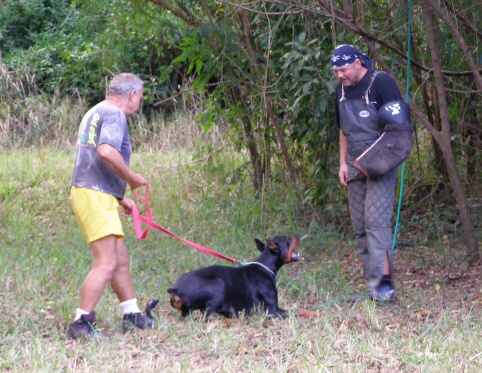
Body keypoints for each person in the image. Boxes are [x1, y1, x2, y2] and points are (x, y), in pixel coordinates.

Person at [67, 73, 155, 339]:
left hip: (93, 190)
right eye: (139, 98)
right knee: (105, 262)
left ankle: (132, 314)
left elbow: (92, 160)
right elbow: (105, 152)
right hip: (93, 193)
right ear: (132, 95)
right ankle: (81, 323)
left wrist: (120, 196)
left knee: (120, 257)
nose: (138, 104)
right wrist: (131, 178)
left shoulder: (95, 111)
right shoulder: (115, 115)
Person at [331, 44, 403, 302]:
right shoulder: (340, 90)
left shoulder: (380, 82)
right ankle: (372, 283)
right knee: (360, 225)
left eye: (343, 69)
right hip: (353, 162)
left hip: (381, 159)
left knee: (376, 222)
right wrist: (343, 163)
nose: (340, 75)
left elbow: (399, 128)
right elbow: (342, 130)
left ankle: (385, 286)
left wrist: (382, 159)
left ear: (358, 63)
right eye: (335, 70)